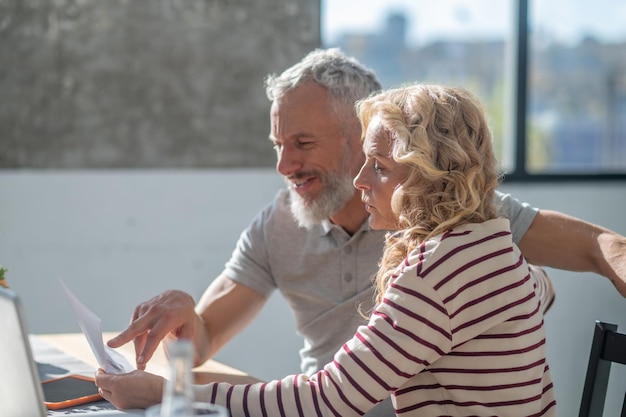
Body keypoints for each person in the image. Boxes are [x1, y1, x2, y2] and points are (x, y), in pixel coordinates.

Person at [96, 48, 625, 413]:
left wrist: (171, 395)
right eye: (277, 145)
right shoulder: (482, 245)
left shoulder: (450, 246)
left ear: (368, 139)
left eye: (302, 143)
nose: (284, 165)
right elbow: (534, 289)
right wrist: (187, 325)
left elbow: (330, 399)